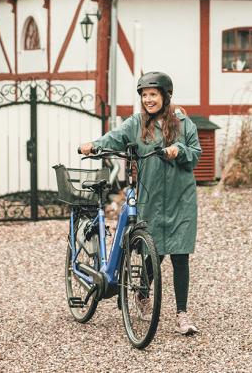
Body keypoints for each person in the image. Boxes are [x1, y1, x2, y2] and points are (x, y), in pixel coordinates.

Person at [79, 71, 202, 335]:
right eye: (144, 95)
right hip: (152, 197)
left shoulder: (183, 123)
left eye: (153, 94)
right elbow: (115, 137)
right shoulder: (136, 123)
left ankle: (182, 314)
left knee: (181, 256)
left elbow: (196, 154)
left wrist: (179, 151)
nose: (148, 100)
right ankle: (143, 293)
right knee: (153, 252)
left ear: (165, 96)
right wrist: (94, 145)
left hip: (182, 199)